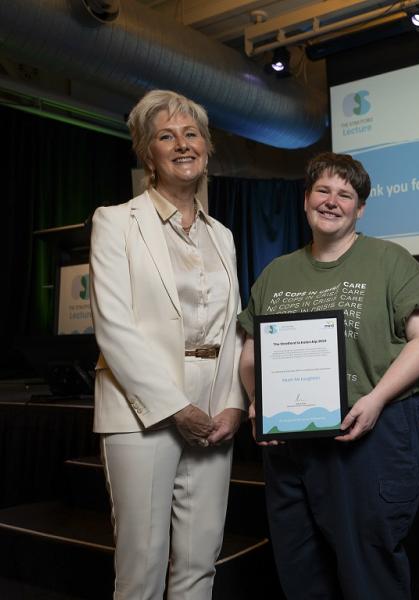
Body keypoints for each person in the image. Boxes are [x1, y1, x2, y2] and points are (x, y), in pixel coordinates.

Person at [238, 152, 419, 600]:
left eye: (345, 194)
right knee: (301, 573)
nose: (332, 201)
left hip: (367, 436)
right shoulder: (276, 271)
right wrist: (259, 401)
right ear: (306, 199)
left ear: (360, 208)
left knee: (369, 575)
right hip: (290, 445)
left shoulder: (391, 261)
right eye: (323, 191)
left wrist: (376, 400)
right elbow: (251, 354)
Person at [90, 90, 246, 599]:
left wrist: (232, 405)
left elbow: (231, 329)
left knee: (201, 562)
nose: (182, 144)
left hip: (213, 408)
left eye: (192, 133)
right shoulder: (115, 222)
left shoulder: (222, 234)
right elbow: (114, 327)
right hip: (143, 410)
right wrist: (175, 407)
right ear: (147, 152)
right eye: (166, 136)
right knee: (143, 566)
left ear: (208, 146)